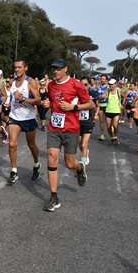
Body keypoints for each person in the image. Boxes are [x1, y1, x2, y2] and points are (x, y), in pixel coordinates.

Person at [41, 59, 95, 212]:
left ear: (65, 69)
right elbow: (51, 100)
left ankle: (79, 168)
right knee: (52, 158)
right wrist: (47, 103)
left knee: (70, 163)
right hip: (54, 128)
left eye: (58, 69)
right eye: (54, 69)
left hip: (71, 128)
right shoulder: (51, 85)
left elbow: (91, 104)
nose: (56, 72)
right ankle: (53, 197)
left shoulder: (75, 84)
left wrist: (74, 107)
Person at [6, 59, 41, 184]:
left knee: (31, 145)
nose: (17, 70)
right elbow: (11, 96)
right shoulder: (12, 81)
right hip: (14, 117)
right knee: (12, 144)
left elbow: (38, 100)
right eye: (15, 67)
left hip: (28, 117)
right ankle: (14, 171)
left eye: (19, 67)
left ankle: (36, 164)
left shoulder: (30, 82)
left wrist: (23, 99)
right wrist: (8, 103)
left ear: (25, 68)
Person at [78, 76, 95, 166]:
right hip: (78, 122)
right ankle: (85, 152)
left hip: (88, 122)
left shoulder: (92, 95)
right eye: (81, 84)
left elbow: (96, 105)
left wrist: (96, 114)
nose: (83, 86)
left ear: (89, 85)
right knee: (81, 145)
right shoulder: (76, 95)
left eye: (85, 84)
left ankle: (82, 167)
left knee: (84, 145)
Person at [100, 78, 122, 145]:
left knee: (115, 125)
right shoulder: (107, 91)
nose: (111, 86)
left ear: (115, 84)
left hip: (116, 110)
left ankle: (115, 135)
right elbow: (100, 97)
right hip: (108, 110)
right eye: (110, 84)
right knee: (109, 126)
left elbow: (125, 95)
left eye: (112, 84)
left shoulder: (119, 91)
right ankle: (112, 137)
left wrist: (122, 103)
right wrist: (103, 97)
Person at [95, 74, 109, 141]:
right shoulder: (98, 87)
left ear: (106, 80)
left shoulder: (108, 87)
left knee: (108, 121)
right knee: (101, 121)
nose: (102, 80)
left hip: (107, 105)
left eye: (104, 79)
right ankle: (102, 134)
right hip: (100, 105)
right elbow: (97, 96)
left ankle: (111, 129)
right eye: (101, 79)